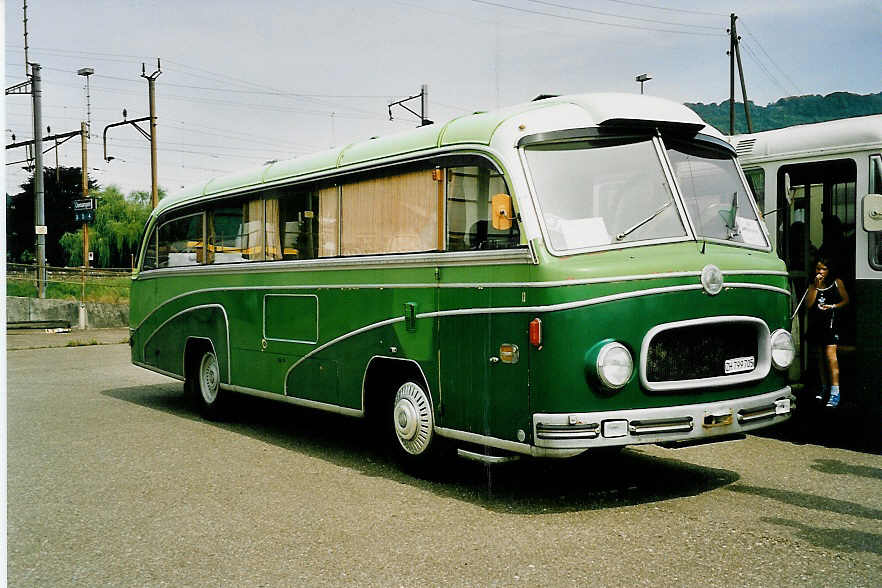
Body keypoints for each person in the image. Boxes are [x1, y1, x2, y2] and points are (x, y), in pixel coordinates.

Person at [805, 256, 850, 407]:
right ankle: (824, 387)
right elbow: (809, 304)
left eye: (824, 269)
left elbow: (846, 300)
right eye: (818, 268)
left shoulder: (837, 283)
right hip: (817, 324)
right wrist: (816, 287)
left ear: (829, 270)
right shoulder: (813, 285)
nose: (821, 271)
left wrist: (833, 307)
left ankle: (835, 391)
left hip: (831, 323)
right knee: (819, 358)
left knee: (831, 357)